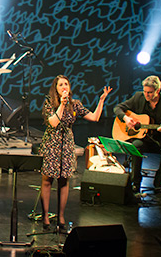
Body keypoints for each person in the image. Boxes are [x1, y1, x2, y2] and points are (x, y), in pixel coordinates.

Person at [39, 75, 112, 233]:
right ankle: (45, 216)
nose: (64, 87)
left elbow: (94, 117)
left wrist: (101, 100)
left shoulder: (75, 104)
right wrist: (62, 105)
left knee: (64, 180)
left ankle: (61, 216)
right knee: (47, 180)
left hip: (67, 145)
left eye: (66, 84)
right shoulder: (49, 103)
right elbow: (53, 122)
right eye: (60, 85)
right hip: (52, 143)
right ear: (56, 89)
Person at [113, 75, 161, 193]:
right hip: (143, 138)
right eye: (145, 91)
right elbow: (117, 108)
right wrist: (126, 118)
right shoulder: (138, 97)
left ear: (158, 90)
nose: (146, 95)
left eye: (150, 92)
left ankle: (158, 184)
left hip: (159, 139)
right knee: (136, 146)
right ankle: (135, 183)